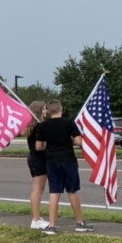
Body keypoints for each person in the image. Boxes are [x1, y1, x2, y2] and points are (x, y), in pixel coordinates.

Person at [35, 100, 93, 234]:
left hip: (52, 161)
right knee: (72, 191)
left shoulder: (43, 126)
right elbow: (79, 142)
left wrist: (49, 145)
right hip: (68, 160)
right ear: (61, 109)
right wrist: (69, 140)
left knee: (54, 192)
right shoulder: (69, 123)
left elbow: (39, 147)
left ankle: (51, 225)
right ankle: (79, 223)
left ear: (48, 111)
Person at [25, 101, 49, 229]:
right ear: (39, 110)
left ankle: (37, 217)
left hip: (33, 158)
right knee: (38, 190)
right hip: (39, 159)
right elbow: (39, 146)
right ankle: (36, 220)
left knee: (37, 189)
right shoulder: (39, 127)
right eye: (44, 109)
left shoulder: (32, 126)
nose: (46, 111)